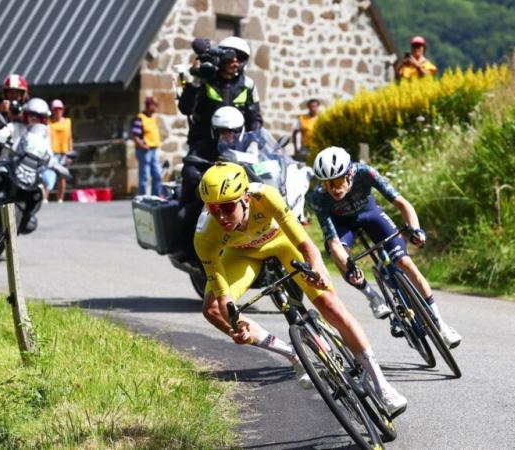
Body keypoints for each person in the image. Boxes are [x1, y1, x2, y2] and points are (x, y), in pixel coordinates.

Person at [194, 162, 408, 415]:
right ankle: (293, 355)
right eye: (213, 208)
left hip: (282, 243)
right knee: (212, 311)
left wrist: (317, 268)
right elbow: (222, 294)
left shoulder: (266, 196)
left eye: (227, 207)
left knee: (331, 306)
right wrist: (236, 326)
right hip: (242, 255)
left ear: (246, 198)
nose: (220, 216)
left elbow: (306, 245)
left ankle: (382, 385)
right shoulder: (205, 235)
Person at [310, 146, 462, 348]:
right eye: (328, 184)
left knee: (405, 263)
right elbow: (333, 241)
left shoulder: (365, 172)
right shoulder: (318, 197)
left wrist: (416, 229)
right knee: (341, 258)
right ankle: (372, 296)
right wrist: (349, 264)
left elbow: (402, 203)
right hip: (342, 225)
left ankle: (441, 325)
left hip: (369, 214)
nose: (334, 189)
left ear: (349, 174)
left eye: (337, 181)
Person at [177, 36, 263, 260]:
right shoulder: (206, 80)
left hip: (239, 148)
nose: (235, 62)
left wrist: (255, 144)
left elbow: (255, 118)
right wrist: (195, 80)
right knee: (193, 197)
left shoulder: (248, 85)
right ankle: (189, 250)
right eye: (231, 57)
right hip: (204, 148)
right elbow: (185, 107)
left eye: (240, 59)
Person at [130, 96, 162, 196]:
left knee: (157, 174)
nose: (157, 107)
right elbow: (135, 135)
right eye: (155, 105)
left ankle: (156, 196)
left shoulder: (153, 118)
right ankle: (143, 196)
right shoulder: (140, 117)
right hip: (144, 151)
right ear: (149, 105)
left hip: (153, 150)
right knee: (145, 176)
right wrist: (141, 145)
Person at [47, 99, 73, 203]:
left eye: (60, 109)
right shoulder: (48, 122)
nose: (58, 111)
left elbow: (70, 138)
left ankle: (60, 199)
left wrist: (70, 153)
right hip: (52, 152)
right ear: (52, 110)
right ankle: (45, 198)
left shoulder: (67, 122)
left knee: (62, 177)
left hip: (64, 152)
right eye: (55, 109)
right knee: (49, 175)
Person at [292, 98, 320, 163]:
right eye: (311, 106)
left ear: (318, 107)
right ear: (308, 107)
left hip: (317, 147)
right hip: (305, 148)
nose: (313, 108)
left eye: (315, 106)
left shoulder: (321, 118)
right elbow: (295, 133)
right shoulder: (302, 118)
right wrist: (295, 148)